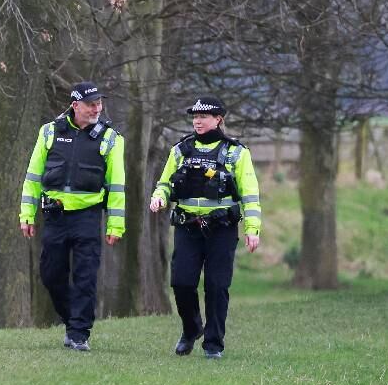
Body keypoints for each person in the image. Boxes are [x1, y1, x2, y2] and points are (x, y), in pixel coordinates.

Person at [149, 97, 262, 360]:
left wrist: (252, 228)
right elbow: (165, 183)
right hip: (188, 227)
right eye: (195, 116)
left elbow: (250, 194)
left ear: (218, 119)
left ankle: (213, 344)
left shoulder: (236, 153)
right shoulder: (180, 150)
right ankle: (191, 329)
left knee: (216, 285)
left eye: (204, 116)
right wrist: (159, 197)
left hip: (221, 229)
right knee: (181, 282)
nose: (198, 121)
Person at [19, 81, 126, 352]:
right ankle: (71, 320)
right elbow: (32, 178)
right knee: (50, 274)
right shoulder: (49, 132)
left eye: (99, 103)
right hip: (54, 215)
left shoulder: (111, 138)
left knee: (85, 276)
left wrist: (116, 224)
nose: (97, 109)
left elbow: (116, 186)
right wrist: (27, 214)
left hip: (88, 217)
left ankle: (79, 332)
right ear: (75, 105)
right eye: (91, 104)